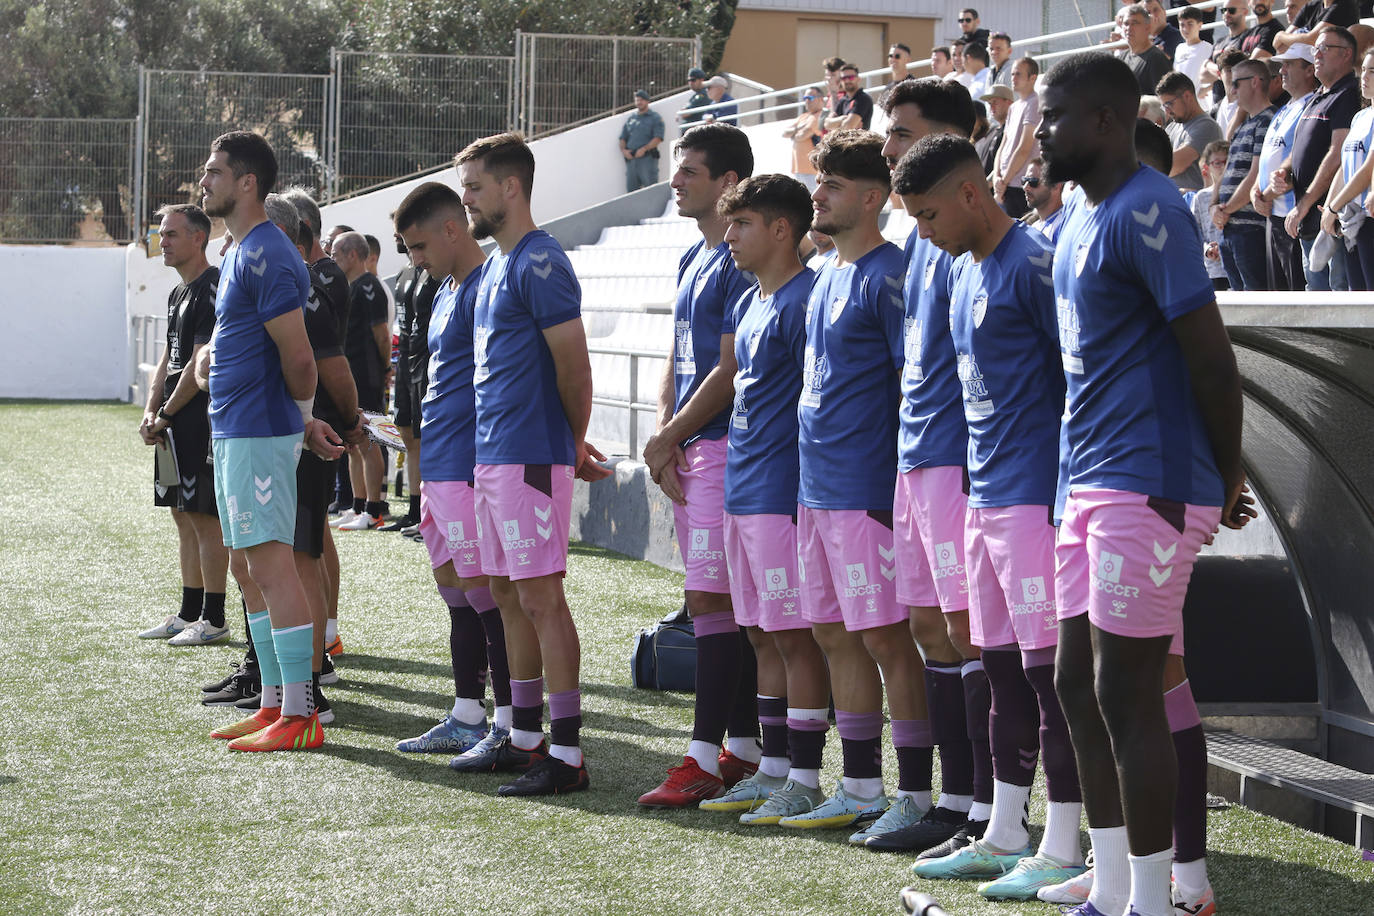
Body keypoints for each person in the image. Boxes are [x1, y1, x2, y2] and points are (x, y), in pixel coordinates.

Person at [1037, 52, 1251, 916]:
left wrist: (1226, 474)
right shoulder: (1078, 218)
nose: (1037, 132)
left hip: (1151, 482)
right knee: (1075, 687)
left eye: (1050, 116)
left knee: (1127, 693)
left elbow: (1211, 355)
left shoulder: (1152, 206)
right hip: (1088, 479)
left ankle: (1156, 904)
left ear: (1100, 120)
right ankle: (1116, 887)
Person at [898, 133, 1085, 903]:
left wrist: (1060, 490)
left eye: (931, 212)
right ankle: (1005, 830)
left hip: (1035, 499)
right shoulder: (961, 269)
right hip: (985, 494)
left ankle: (1067, 842)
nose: (924, 231)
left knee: (1051, 678)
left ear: (973, 194)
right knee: (1000, 667)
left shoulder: (1034, 263)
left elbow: (1080, 378)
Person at [451, 132, 609, 796]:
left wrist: (571, 444)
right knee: (509, 594)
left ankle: (567, 755)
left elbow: (574, 368)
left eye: (475, 187)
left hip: (531, 458)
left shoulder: (541, 262)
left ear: (511, 187)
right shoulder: (494, 268)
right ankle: (523, 735)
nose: (467, 201)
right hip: (494, 457)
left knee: (541, 598)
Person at [865, 77, 995, 858]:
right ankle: (956, 803)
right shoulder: (919, 237)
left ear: (961, 137)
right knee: (926, 630)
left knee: (968, 633)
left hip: (956, 459)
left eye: (903, 131)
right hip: (915, 460)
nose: (888, 146)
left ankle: (987, 810)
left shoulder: (974, 228)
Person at [790, 129, 932, 840]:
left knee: (884, 639)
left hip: (867, 490)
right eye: (819, 184)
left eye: (833, 186)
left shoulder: (890, 274)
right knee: (831, 633)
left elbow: (915, 388)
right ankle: (860, 786)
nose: (818, 195)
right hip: (816, 490)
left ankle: (916, 794)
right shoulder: (826, 274)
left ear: (872, 197)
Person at [695, 174, 833, 825]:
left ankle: (805, 777)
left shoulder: (806, 301)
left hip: (782, 494)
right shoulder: (753, 301)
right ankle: (772, 768)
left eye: (741, 225)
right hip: (742, 491)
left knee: (794, 636)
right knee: (759, 633)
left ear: (781, 229)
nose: (728, 238)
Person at [196, 130, 332, 753]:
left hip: (259, 432)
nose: (204, 182)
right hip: (234, 427)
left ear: (247, 182)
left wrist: (301, 423)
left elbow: (300, 358)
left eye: (214, 172)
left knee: (273, 566)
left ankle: (302, 714)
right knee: (249, 566)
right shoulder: (240, 251)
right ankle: (274, 702)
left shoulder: (270, 253)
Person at [638, 122, 761, 808]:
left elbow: (730, 367)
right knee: (714, 600)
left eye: (689, 171)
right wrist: (664, 431)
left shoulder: (741, 259)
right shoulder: (694, 258)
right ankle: (738, 748)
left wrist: (674, 437)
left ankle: (701, 755)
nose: (676, 181)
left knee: (714, 601)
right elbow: (677, 358)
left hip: (724, 445)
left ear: (729, 183)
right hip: (692, 444)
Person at [391, 181, 515, 760]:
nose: (416, 261)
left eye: (419, 247)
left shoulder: (489, 282)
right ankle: (468, 713)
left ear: (451, 229)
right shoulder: (444, 289)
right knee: (456, 594)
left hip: (469, 463)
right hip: (437, 464)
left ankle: (510, 723)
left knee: (487, 594)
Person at [138, 203, 229, 647]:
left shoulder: (212, 288)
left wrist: (169, 413)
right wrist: (151, 411)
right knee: (180, 513)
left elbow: (198, 363)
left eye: (171, 233)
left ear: (199, 238)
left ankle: (214, 618)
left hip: (198, 420)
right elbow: (168, 359)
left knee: (204, 516)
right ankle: (188, 611)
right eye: (161, 233)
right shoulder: (178, 293)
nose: (163, 242)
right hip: (173, 420)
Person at [282, 187, 351, 656]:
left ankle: (321, 642)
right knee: (313, 537)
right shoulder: (319, 276)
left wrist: (348, 417)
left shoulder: (320, 280)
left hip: (315, 420)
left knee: (307, 544)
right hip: (316, 417)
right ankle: (323, 636)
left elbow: (327, 359)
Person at [1272, 26, 1360, 290]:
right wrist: (1285, 171)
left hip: (1331, 220)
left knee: (1337, 304)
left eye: (1324, 48)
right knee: (1316, 304)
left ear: (1346, 54)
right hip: (1309, 221)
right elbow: (1301, 148)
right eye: (1314, 49)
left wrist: (1303, 205)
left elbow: (1337, 155)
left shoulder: (1348, 94)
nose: (1316, 54)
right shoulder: (1319, 96)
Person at [330, 231, 391, 529]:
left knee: (369, 441)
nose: (333, 260)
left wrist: (385, 367)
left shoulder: (370, 287)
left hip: (366, 375)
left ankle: (374, 510)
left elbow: (381, 334)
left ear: (353, 255)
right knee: (352, 443)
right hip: (350, 375)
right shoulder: (348, 287)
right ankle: (357, 506)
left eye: (337, 255)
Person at [1252, 44, 1319, 290]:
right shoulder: (1284, 108)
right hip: (1273, 215)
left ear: (1310, 70)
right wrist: (1255, 194)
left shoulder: (1312, 105)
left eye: (1289, 64)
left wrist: (1264, 195)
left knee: (1296, 292)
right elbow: (1265, 158)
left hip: (1293, 216)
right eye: (1282, 64)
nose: (1282, 70)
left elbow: (1300, 157)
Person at [384, 241, 438, 534]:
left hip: (424, 361)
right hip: (405, 360)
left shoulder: (429, 272)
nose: (398, 238)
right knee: (407, 433)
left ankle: (427, 513)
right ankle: (415, 509)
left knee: (423, 436)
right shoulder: (405, 272)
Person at [1213, 60, 1277, 289]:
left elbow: (1256, 174)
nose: (1232, 91)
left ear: (1255, 82)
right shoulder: (1243, 126)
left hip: (1248, 228)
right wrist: (1215, 207)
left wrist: (1224, 209)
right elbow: (1226, 172)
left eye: (1236, 84)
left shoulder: (1269, 120)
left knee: (1256, 302)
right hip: (1230, 226)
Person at [1320, 46, 1374, 290]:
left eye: (1372, 71)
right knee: (1356, 295)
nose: (1364, 76)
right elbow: (1345, 167)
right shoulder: (1360, 117)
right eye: (1363, 69)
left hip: (1369, 217)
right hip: (1352, 220)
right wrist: (1329, 208)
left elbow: (1366, 170)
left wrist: (1334, 206)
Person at [991, 58, 1042, 219]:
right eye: (1012, 74)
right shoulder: (1013, 107)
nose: (1013, 78)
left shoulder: (1035, 103)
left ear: (1032, 77)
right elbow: (1003, 145)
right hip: (1005, 184)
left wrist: (1003, 182)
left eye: (1018, 74)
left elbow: (1024, 147)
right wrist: (997, 177)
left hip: (1020, 185)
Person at [1158, 70, 1224, 190]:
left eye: (1169, 104)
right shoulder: (1172, 126)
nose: (1167, 111)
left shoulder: (1206, 126)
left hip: (1193, 204)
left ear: (1187, 96)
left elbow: (1174, 165)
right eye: (1164, 106)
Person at [1191, 140, 1236, 290]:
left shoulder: (1239, 194)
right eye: (1217, 163)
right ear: (1207, 166)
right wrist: (1207, 249)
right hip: (1214, 270)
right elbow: (1194, 232)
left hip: (1237, 263)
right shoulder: (1201, 197)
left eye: (1227, 162)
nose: (1223, 167)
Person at [1119, 4, 1173, 95]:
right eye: (1126, 23)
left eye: (1135, 23)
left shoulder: (1156, 59)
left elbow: (1165, 99)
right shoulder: (1122, 58)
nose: (1129, 28)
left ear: (1147, 28)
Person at [620, 89, 665, 193]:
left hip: (647, 159)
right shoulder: (631, 118)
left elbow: (658, 138)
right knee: (631, 192)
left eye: (642, 100)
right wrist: (624, 151)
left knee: (651, 190)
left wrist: (644, 149)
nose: (639, 102)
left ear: (647, 101)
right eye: (637, 100)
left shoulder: (655, 118)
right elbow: (623, 138)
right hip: (632, 160)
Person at [1274, 0, 1361, 54]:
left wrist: (1280, 35)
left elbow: (1312, 39)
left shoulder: (1344, 5)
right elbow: (1280, 47)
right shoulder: (1310, 7)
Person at [782, 87, 825, 187]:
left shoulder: (823, 115)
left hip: (812, 169)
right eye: (805, 97)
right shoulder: (803, 117)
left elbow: (802, 136)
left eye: (810, 97)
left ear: (820, 99)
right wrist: (799, 129)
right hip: (798, 168)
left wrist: (794, 132)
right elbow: (785, 133)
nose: (806, 101)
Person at [1022, 158, 1067, 242]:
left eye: (1033, 181)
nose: (1025, 187)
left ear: (1056, 185)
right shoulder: (1034, 226)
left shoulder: (1065, 225)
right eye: (1024, 180)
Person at [1173, 7, 1214, 91]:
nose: (1185, 29)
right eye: (1182, 25)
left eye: (1190, 24)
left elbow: (1219, 75)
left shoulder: (1207, 48)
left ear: (1199, 25)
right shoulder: (1179, 48)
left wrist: (1206, 89)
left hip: (1200, 101)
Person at [827, 64, 874, 130]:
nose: (847, 81)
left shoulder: (863, 98)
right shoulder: (843, 100)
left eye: (851, 77)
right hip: (842, 139)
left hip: (859, 139)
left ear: (858, 79)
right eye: (844, 78)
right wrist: (843, 118)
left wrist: (835, 123)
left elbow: (848, 126)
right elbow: (827, 125)